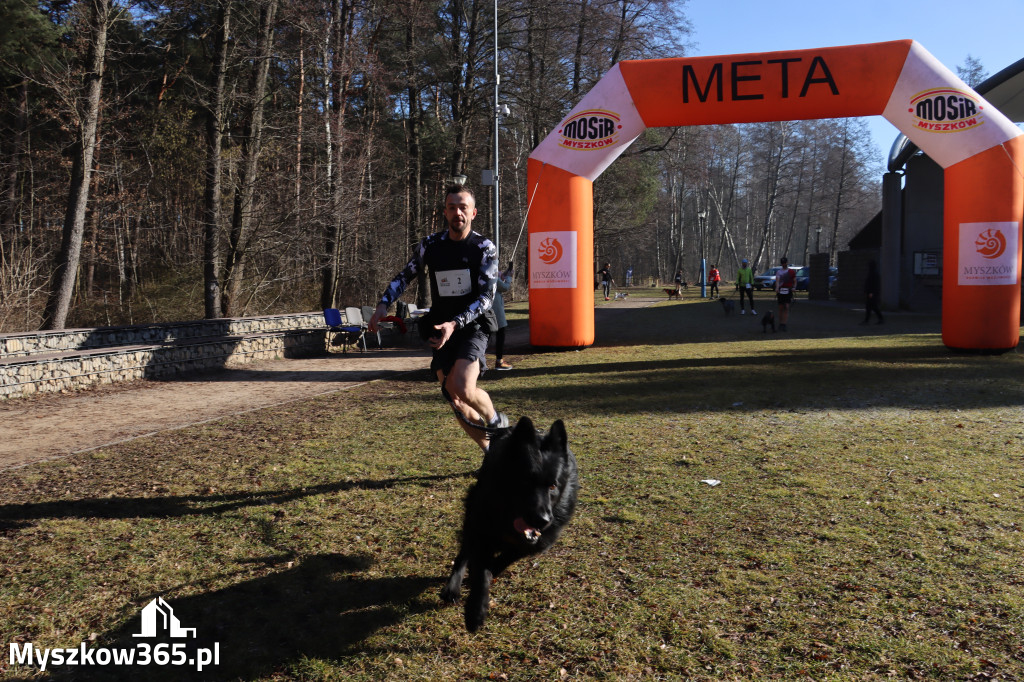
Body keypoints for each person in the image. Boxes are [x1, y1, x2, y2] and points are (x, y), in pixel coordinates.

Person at [368, 185, 507, 451]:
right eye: (452, 207)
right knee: (455, 400)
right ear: (445, 212)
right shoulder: (430, 245)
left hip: (471, 325)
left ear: (474, 212)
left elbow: (487, 297)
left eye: (463, 207)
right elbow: (405, 275)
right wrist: (384, 304)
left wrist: (456, 323)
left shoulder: (484, 248)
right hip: (439, 326)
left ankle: (495, 420)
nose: (458, 213)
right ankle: (490, 453)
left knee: (463, 387)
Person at [492, 262, 513, 370]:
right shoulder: (491, 274)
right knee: (501, 333)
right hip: (495, 309)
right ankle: (499, 361)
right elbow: (504, 287)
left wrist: (502, 275)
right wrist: (509, 277)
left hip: (488, 308)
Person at [774, 256, 796, 331]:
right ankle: (780, 323)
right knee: (780, 308)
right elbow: (777, 281)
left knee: (786, 307)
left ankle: (784, 324)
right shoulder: (779, 272)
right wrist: (777, 288)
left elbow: (795, 281)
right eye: (782, 263)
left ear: (787, 263)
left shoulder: (791, 272)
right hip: (781, 291)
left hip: (788, 290)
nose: (784, 264)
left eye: (785, 263)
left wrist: (794, 287)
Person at [861, 260, 884, 324]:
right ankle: (879, 319)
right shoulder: (873, 273)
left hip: (872, 293)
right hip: (871, 292)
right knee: (872, 307)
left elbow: (873, 284)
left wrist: (871, 292)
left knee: (871, 307)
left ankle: (868, 320)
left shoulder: (873, 274)